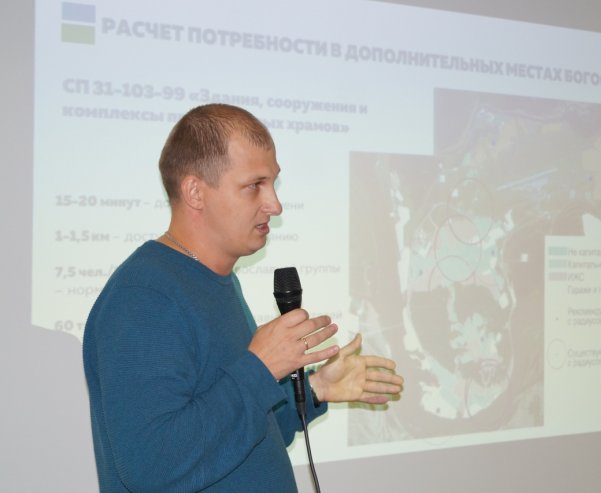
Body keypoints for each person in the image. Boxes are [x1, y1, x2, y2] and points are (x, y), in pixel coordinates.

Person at [82, 103, 404, 492]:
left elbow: (240, 438)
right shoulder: (144, 297)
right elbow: (152, 466)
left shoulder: (218, 281)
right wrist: (259, 369)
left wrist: (316, 388)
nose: (275, 205)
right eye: (255, 185)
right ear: (195, 192)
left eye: (274, 183)